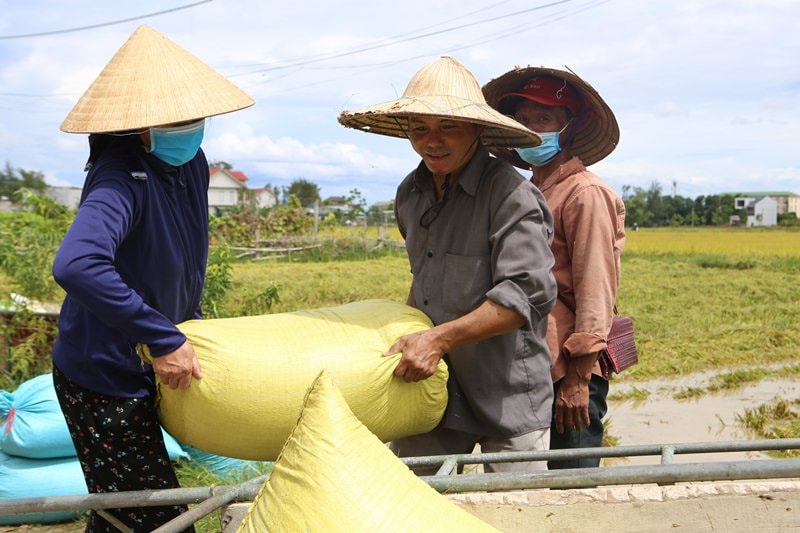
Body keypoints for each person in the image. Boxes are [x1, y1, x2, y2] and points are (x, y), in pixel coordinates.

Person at [52, 25, 253, 532]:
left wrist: (190, 326)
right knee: (149, 517)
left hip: (145, 367)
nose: (189, 128)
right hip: (103, 376)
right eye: (174, 120)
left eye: (194, 117)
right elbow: (77, 265)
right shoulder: (120, 176)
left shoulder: (189, 163)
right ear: (138, 125)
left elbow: (181, 252)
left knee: (125, 512)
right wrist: (161, 335)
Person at [338, 56, 558, 474]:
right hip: (431, 386)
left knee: (517, 512)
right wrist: (407, 335)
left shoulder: (511, 193)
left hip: (505, 392)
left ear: (477, 129)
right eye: (419, 128)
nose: (431, 141)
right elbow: (422, 280)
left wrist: (438, 340)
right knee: (419, 504)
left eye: (448, 127)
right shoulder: (410, 193)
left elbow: (524, 296)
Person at [483, 66, 626, 469]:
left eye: (543, 119)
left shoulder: (584, 193)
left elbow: (595, 290)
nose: (531, 128)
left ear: (569, 128)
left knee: (573, 486)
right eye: (522, 120)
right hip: (531, 365)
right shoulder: (525, 191)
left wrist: (579, 380)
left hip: (569, 370)